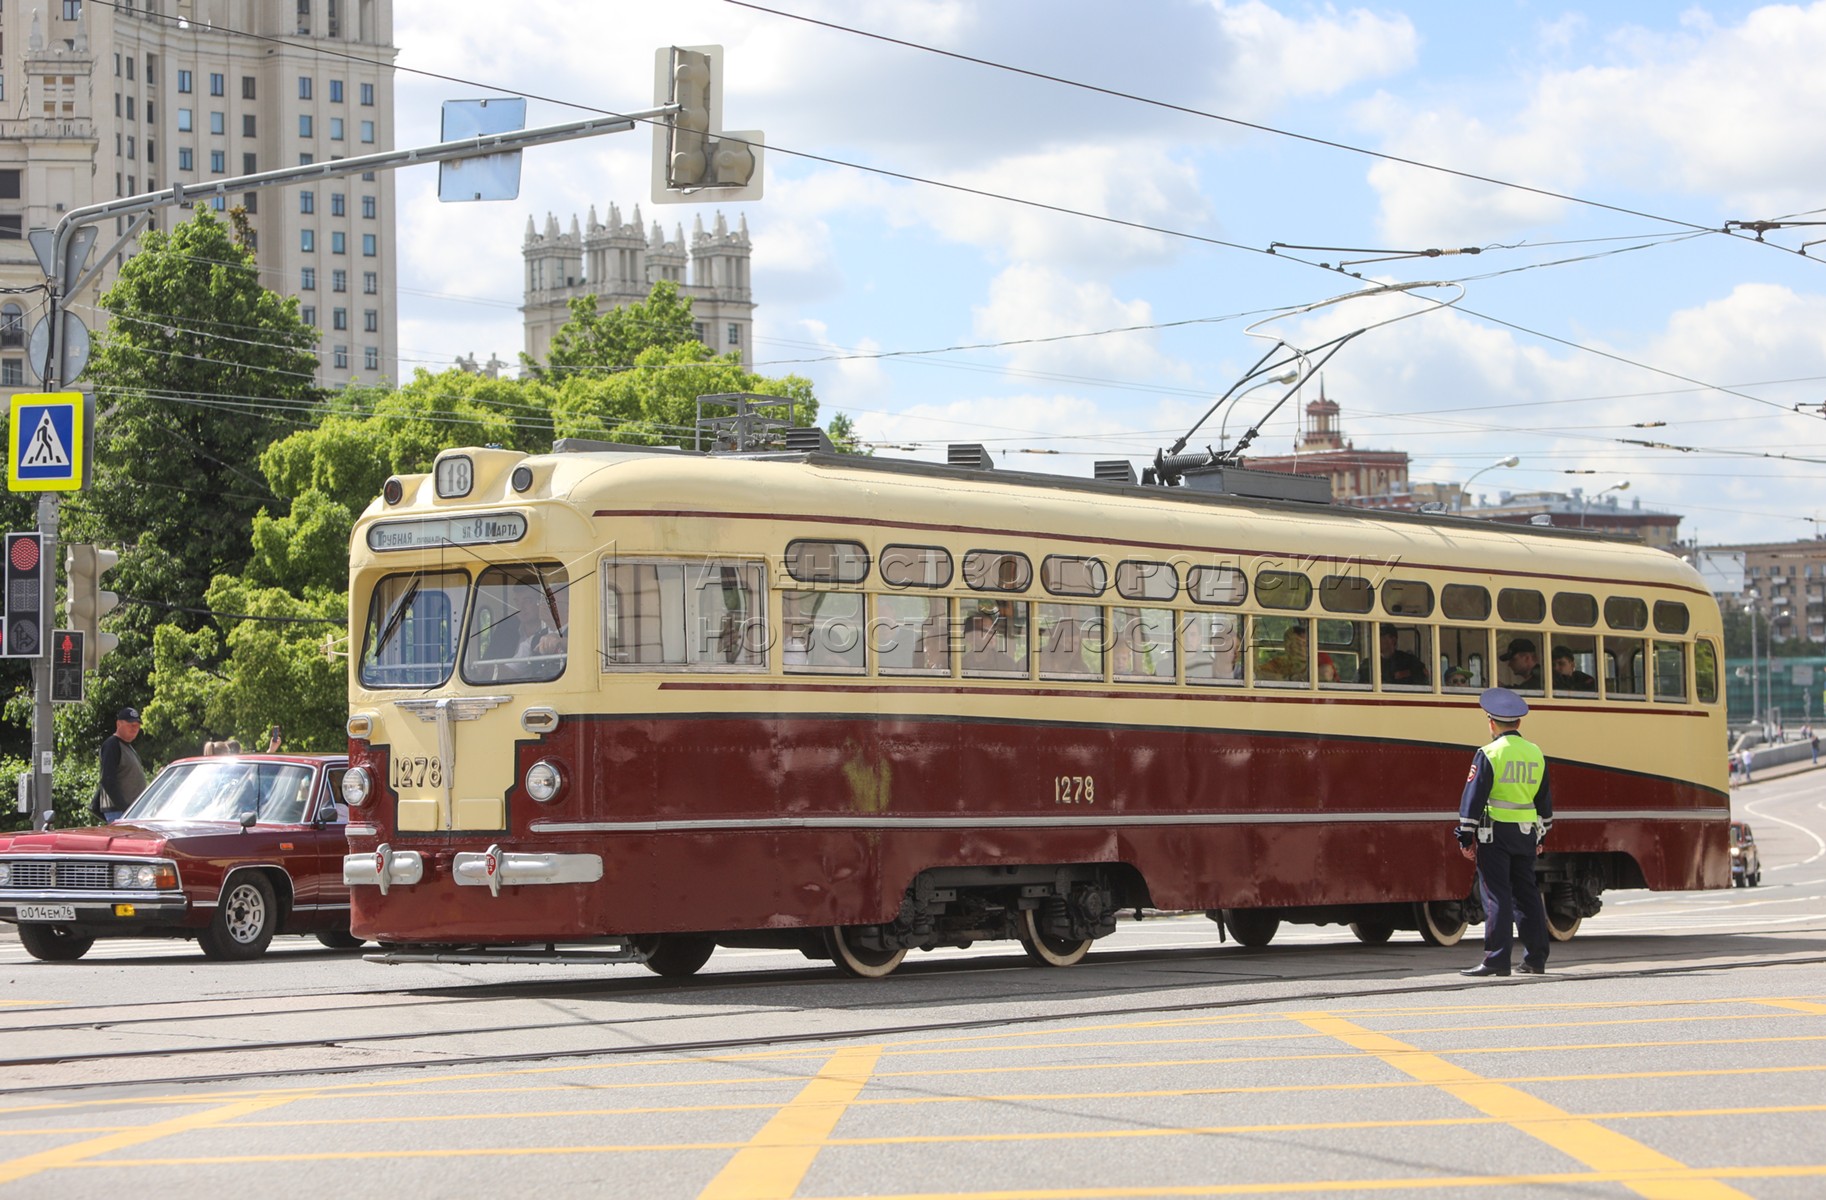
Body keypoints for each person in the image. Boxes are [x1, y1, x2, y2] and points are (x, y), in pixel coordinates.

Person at [1456, 688, 1553, 978]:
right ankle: (1535, 959)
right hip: (1526, 835)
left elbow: (1472, 799)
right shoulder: (1535, 753)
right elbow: (1544, 802)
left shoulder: (1489, 753)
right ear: (1519, 724)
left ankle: (1497, 960)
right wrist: (1541, 837)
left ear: (1491, 723)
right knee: (1527, 895)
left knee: (1496, 895)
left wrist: (1464, 836)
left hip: (1494, 835)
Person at [93, 707, 147, 824]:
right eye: (130, 725)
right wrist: (125, 808)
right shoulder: (112, 745)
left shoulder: (127, 746)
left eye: (137, 726)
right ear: (119, 724)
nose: (134, 729)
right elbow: (107, 780)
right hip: (119, 812)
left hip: (131, 811)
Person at [1360, 627, 1429, 686]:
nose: (1377, 640)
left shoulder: (1408, 660)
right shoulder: (1367, 664)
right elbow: (1357, 683)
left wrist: (1405, 673)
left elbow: (1424, 674)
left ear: (1393, 640)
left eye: (1382, 637)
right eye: (1375, 637)